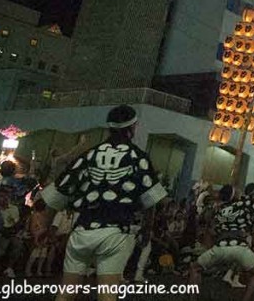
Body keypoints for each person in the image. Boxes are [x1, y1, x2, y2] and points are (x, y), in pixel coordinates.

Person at [40, 105, 166, 301]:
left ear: (109, 128)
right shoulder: (138, 158)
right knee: (107, 295)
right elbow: (151, 200)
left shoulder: (89, 156)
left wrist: (45, 227)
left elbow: (58, 193)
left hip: (82, 230)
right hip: (114, 233)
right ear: (132, 128)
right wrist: (147, 230)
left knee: (66, 294)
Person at [188, 184, 254, 301]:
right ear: (234, 195)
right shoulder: (244, 205)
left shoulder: (219, 210)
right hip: (240, 248)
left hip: (220, 247)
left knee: (195, 268)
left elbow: (211, 229)